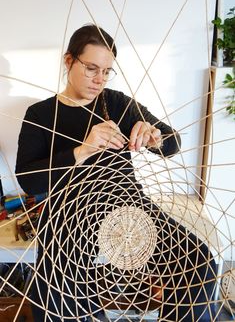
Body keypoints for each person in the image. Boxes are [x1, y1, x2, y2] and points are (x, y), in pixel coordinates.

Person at [16, 24, 216, 321]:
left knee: (199, 264)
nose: (100, 79)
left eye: (107, 71)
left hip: (127, 205)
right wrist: (81, 151)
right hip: (69, 215)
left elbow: (173, 142)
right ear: (68, 61)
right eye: (91, 68)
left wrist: (154, 136)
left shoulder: (116, 102)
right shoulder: (40, 114)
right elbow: (27, 180)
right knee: (54, 294)